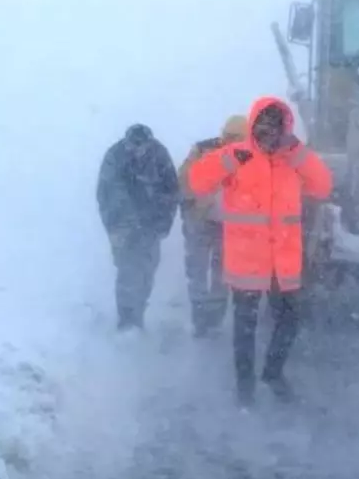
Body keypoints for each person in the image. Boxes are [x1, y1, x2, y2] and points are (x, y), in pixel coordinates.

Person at [188, 96, 332, 404]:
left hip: (284, 265)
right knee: (245, 331)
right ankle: (245, 389)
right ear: (254, 127)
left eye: (276, 129)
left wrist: (298, 152)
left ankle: (273, 373)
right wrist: (228, 159)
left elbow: (323, 186)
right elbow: (198, 183)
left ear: (285, 130)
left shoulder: (293, 160)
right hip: (246, 264)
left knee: (290, 321)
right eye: (264, 129)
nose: (269, 136)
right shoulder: (236, 156)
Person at [96, 123, 179, 330]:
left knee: (147, 271)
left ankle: (139, 312)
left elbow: (172, 191)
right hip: (122, 225)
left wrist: (163, 225)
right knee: (126, 270)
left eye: (141, 146)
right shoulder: (114, 157)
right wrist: (114, 228)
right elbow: (105, 195)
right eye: (133, 146)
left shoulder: (160, 155)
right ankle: (126, 320)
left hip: (151, 225)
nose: (137, 150)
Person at [178, 115, 248, 337]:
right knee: (197, 270)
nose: (231, 141)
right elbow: (184, 181)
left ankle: (215, 319)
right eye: (229, 136)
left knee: (222, 275)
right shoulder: (203, 151)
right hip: (201, 221)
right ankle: (199, 319)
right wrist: (194, 205)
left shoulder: (252, 158)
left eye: (237, 138)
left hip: (230, 226)